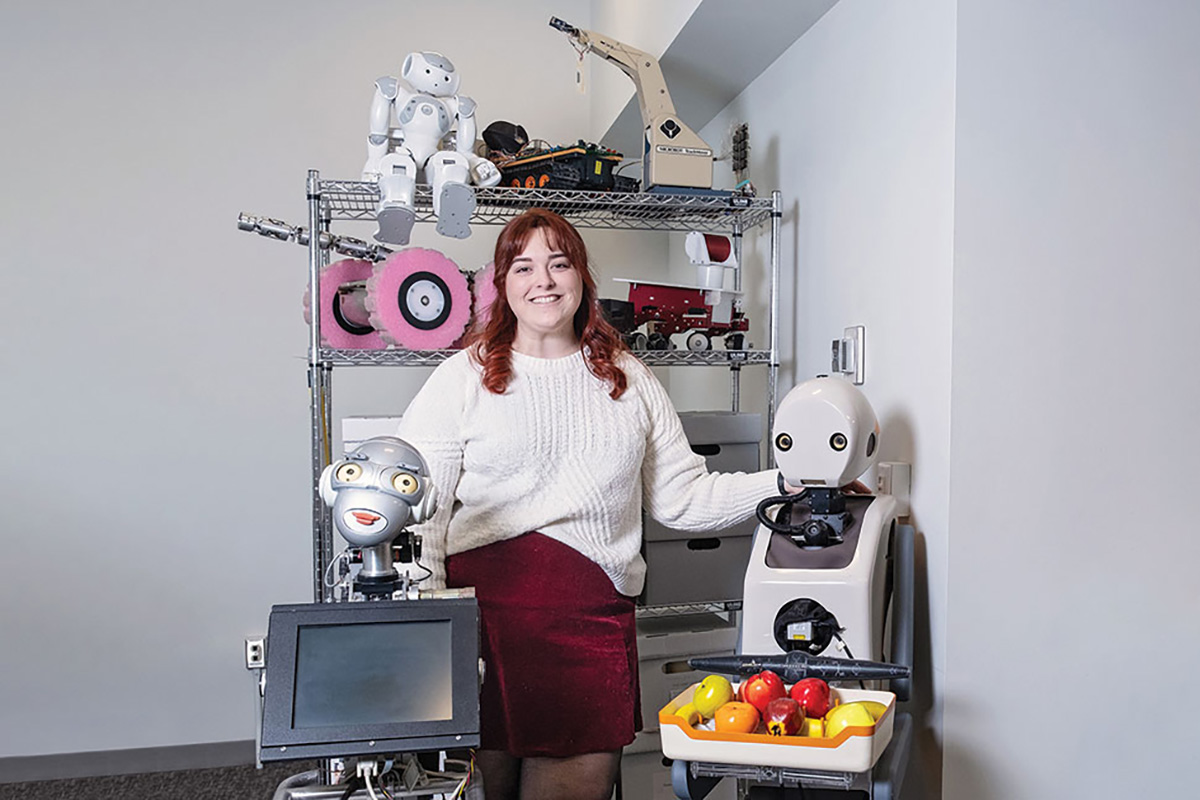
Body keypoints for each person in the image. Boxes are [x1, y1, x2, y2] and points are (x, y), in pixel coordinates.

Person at [397, 208, 781, 800]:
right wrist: (429, 632)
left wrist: (791, 482)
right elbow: (420, 511)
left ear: (582, 278)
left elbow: (685, 499)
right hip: (484, 629)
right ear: (502, 283)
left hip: (589, 625)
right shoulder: (460, 379)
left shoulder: (628, 379)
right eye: (523, 267)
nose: (543, 280)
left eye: (559, 263)